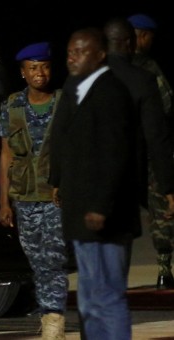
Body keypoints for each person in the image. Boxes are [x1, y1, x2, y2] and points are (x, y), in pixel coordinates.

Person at [49, 27, 139, 340]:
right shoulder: (77, 89)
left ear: (99, 55)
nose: (72, 58)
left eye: (80, 51)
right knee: (89, 299)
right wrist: (57, 180)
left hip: (104, 218)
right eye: (70, 52)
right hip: (81, 215)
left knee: (107, 296)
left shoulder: (110, 92)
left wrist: (101, 205)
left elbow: (116, 154)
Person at [0, 42, 68, 340]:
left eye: (45, 66)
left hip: (56, 198)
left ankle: (54, 322)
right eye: (33, 68)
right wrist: (4, 202)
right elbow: (6, 156)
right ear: (23, 72)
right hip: (24, 198)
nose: (40, 73)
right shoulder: (12, 106)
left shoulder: (64, 103)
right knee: (37, 261)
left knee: (54, 259)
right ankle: (49, 316)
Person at [127, 13, 174, 288]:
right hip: (147, 148)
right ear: (142, 36)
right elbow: (167, 104)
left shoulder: (107, 66)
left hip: (120, 150)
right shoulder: (148, 67)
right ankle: (163, 268)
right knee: (161, 206)